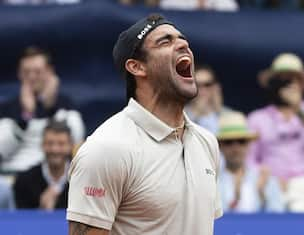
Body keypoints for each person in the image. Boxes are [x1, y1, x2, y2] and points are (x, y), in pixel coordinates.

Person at [67, 13, 222, 235]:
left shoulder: (207, 143)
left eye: (183, 39)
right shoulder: (106, 149)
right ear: (137, 67)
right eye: (165, 41)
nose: (183, 45)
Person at [247, 53, 304, 182]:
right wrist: (270, 182)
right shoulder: (256, 118)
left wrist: (298, 109)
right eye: (282, 81)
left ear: (301, 83)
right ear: (273, 85)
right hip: (272, 187)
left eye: (291, 80)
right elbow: (249, 160)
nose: (287, 86)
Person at [0, 46, 85, 172]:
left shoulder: (66, 105)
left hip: (54, 176)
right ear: (19, 74)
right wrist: (26, 116)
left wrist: (49, 108)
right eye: (26, 72)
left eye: (37, 71)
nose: (32, 77)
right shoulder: (8, 108)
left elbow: (76, 145)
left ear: (50, 71)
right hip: (12, 174)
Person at [218, 111, 285, 213]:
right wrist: (236, 199)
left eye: (241, 141)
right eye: (229, 142)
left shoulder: (265, 178)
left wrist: (261, 194)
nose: (235, 148)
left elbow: (278, 219)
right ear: (220, 146)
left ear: (249, 145)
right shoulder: (211, 181)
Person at [13, 120, 72, 209]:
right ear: (42, 145)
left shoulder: (82, 179)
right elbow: (20, 219)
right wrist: (41, 210)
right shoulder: (24, 180)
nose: (55, 149)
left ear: (70, 146)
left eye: (61, 144)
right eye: (50, 143)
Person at [185, 64, 230, 134]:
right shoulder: (181, 115)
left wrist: (219, 111)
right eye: (197, 84)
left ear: (216, 87)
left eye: (207, 85)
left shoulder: (229, 115)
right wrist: (197, 114)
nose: (202, 90)